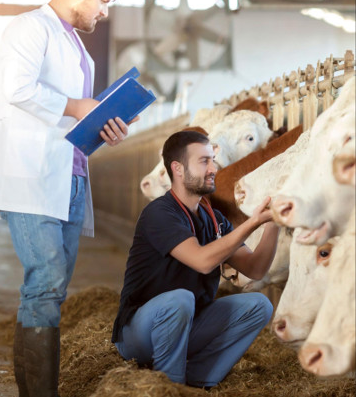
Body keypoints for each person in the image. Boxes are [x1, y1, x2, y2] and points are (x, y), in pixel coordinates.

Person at [0, 0, 135, 397]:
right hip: (31, 175)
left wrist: (105, 124)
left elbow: (73, 112)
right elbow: (18, 89)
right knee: (45, 281)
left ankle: (33, 388)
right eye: (103, 1)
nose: (105, 12)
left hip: (66, 175)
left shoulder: (75, 45)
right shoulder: (30, 28)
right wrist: (77, 107)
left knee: (51, 290)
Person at [112, 130, 280, 388]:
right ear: (177, 169)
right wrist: (253, 222)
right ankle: (170, 387)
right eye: (204, 161)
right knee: (180, 299)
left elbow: (255, 268)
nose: (213, 168)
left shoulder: (213, 219)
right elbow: (202, 261)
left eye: (212, 160)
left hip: (188, 324)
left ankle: (199, 382)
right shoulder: (159, 213)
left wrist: (273, 222)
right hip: (139, 332)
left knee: (259, 305)